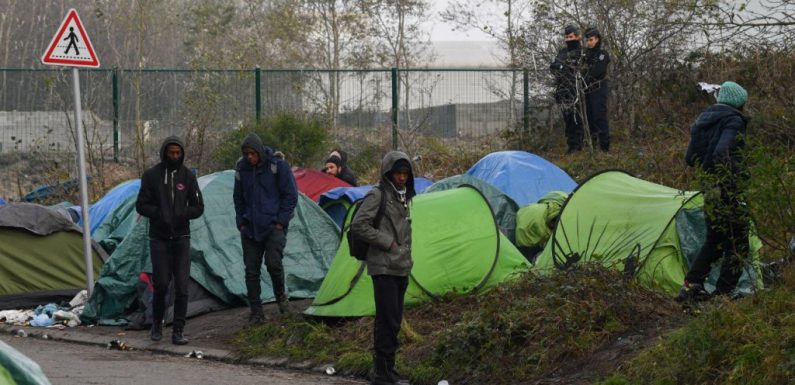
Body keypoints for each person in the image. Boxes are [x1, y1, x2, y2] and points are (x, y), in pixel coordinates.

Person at [677, 81, 750, 301]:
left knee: (716, 240)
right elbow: (722, 152)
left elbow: (690, 159)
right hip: (726, 188)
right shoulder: (733, 120)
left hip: (708, 187)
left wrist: (708, 174)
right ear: (740, 102)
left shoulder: (703, 121)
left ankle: (692, 285)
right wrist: (736, 177)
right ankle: (723, 296)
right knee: (738, 244)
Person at [350, 151, 415, 385]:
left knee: (394, 320)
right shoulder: (378, 196)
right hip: (384, 267)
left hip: (400, 266)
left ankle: (388, 368)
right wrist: (388, 242)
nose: (402, 177)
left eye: (405, 173)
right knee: (386, 320)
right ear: (388, 173)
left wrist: (404, 254)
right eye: (398, 173)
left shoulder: (404, 196)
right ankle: (382, 372)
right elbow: (358, 225)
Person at [135, 136, 204, 345]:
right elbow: (141, 205)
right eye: (171, 152)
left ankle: (178, 330)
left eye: (178, 153)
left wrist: (182, 213)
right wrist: (159, 213)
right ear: (165, 152)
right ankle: (157, 324)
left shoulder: (188, 177)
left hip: (181, 237)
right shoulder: (151, 176)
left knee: (182, 286)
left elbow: (199, 207)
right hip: (159, 238)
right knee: (162, 283)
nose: (175, 156)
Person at [233, 133, 298, 323]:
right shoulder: (242, 169)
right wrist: (241, 222)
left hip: (273, 227)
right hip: (250, 228)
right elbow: (238, 198)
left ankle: (282, 301)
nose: (250, 158)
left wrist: (280, 222)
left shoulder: (277, 166)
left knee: (273, 264)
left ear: (259, 151)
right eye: (246, 154)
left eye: (253, 154)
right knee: (251, 270)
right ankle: (256, 312)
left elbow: (290, 196)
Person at [550, 25, 585, 154]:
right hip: (563, 89)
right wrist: (561, 67)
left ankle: (578, 145)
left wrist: (563, 67)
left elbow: (574, 67)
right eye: (566, 37)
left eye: (571, 37)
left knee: (577, 118)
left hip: (576, 89)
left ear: (577, 36)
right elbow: (554, 66)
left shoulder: (581, 51)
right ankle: (571, 145)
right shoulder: (563, 52)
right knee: (567, 118)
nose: (568, 39)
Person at [583, 27, 610, 152]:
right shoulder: (585, 55)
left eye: (591, 40)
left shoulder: (602, 54)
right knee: (589, 117)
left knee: (599, 116)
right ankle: (592, 146)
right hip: (587, 89)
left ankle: (604, 146)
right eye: (587, 40)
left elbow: (599, 71)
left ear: (597, 39)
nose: (589, 42)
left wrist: (587, 75)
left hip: (599, 87)